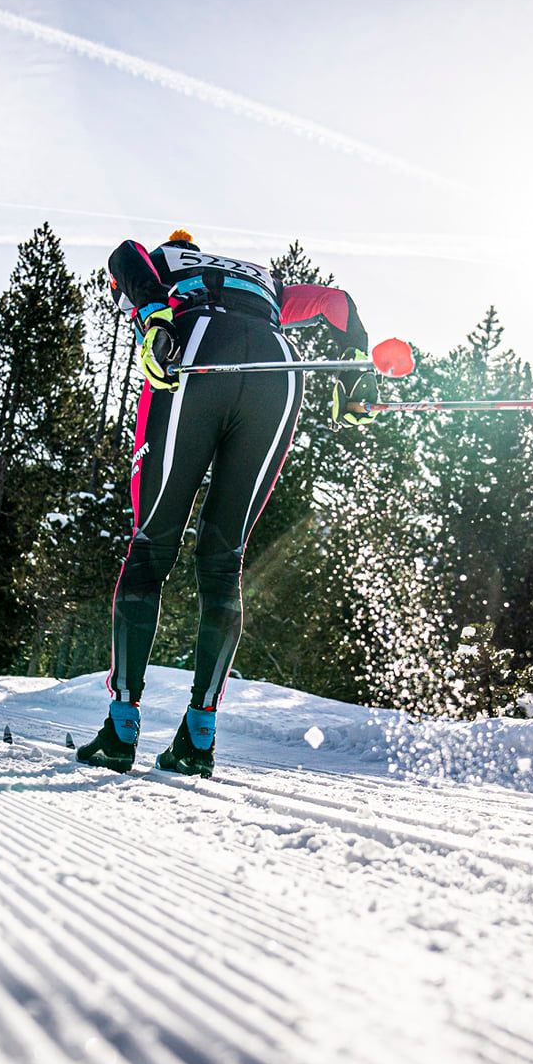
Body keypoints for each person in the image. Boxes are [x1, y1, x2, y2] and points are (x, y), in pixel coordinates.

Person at [78, 229, 377, 775]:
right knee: (224, 560)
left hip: (197, 352)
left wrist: (152, 317)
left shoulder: (166, 258)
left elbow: (124, 255)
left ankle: (122, 726)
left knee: (149, 548)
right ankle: (198, 736)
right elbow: (338, 304)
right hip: (277, 369)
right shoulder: (262, 276)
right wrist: (355, 368)